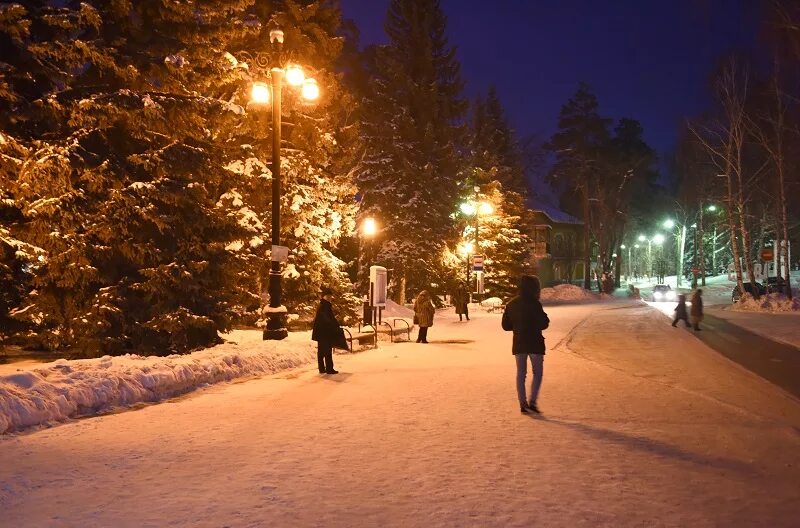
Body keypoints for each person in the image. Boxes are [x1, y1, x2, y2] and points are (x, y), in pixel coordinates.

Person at [501, 275, 550, 414]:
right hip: (535, 343)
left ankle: (523, 403)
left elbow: (505, 326)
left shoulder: (511, 304)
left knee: (521, 374)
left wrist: (517, 326)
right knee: (537, 373)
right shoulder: (535, 303)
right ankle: (533, 401)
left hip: (519, 343)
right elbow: (544, 323)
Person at [311, 287, 348, 374]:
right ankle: (328, 368)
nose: (330, 297)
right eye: (328, 296)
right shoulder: (325, 306)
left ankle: (323, 368)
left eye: (330, 296)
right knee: (326, 350)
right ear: (324, 296)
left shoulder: (323, 305)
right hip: (325, 332)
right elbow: (327, 319)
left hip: (322, 332)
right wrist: (333, 326)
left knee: (323, 350)